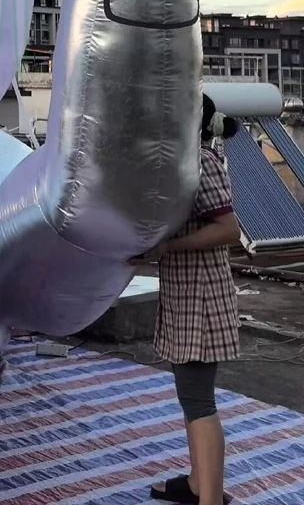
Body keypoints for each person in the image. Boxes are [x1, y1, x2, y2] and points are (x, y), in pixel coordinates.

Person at [131, 93, 243, 505]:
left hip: (201, 298)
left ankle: (210, 496)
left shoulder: (202, 162)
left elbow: (229, 229)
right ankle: (199, 484)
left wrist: (169, 248)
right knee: (190, 397)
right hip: (186, 294)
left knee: (198, 401)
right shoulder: (182, 165)